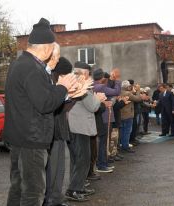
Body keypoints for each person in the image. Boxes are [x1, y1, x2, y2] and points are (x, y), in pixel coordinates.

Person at [4, 18, 80, 206]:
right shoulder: (32, 68)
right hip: (32, 139)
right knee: (33, 192)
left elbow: (37, 99)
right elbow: (45, 103)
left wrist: (62, 92)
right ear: (46, 48)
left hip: (20, 138)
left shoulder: (20, 64)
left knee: (18, 188)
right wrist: (63, 87)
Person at [65, 62, 106, 202]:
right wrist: (99, 99)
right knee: (83, 160)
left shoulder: (73, 83)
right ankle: (74, 190)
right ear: (81, 73)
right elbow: (93, 107)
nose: (89, 76)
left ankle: (78, 186)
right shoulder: (80, 85)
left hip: (74, 127)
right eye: (87, 73)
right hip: (79, 128)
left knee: (77, 159)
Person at [44, 56, 73, 206]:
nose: (66, 77)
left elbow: (64, 109)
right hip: (52, 133)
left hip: (60, 131)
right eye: (64, 74)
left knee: (59, 169)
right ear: (58, 74)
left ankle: (56, 198)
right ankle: (49, 199)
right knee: (52, 170)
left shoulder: (57, 84)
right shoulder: (49, 82)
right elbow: (54, 108)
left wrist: (74, 96)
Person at [92, 68, 121, 173]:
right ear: (102, 77)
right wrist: (117, 79)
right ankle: (102, 164)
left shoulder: (93, 85)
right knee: (103, 142)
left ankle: (103, 162)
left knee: (102, 142)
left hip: (99, 117)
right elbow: (117, 91)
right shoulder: (101, 87)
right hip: (104, 117)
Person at [120, 80, 144, 153]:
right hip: (128, 115)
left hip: (121, 115)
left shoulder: (120, 92)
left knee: (122, 131)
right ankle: (125, 146)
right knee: (127, 131)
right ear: (128, 86)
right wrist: (138, 90)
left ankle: (122, 145)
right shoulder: (128, 93)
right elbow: (138, 99)